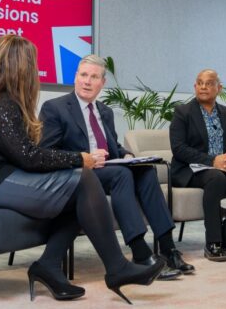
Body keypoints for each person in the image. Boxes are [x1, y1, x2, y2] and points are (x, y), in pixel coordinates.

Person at [0, 35, 163, 304]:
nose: (34, 71)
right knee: (82, 180)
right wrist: (79, 159)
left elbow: (22, 153)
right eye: (32, 64)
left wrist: (73, 162)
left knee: (76, 191)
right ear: (19, 67)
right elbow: (27, 156)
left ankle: (48, 265)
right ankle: (117, 268)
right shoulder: (1, 103)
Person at [39, 54, 195, 280]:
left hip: (107, 169)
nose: (87, 81)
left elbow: (112, 145)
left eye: (94, 77)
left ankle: (168, 248)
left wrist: (127, 154)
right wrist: (84, 157)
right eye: (83, 75)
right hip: (78, 173)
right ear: (75, 78)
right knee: (122, 175)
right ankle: (141, 253)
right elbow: (46, 151)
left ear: (102, 83)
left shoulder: (105, 111)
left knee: (146, 172)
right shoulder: (56, 108)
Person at [169, 69, 226, 262]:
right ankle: (213, 242)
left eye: (209, 83)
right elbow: (178, 148)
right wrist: (212, 161)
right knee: (216, 178)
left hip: (223, 167)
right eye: (200, 83)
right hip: (192, 169)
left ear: (219, 88)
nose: (204, 87)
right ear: (195, 87)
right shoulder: (183, 112)